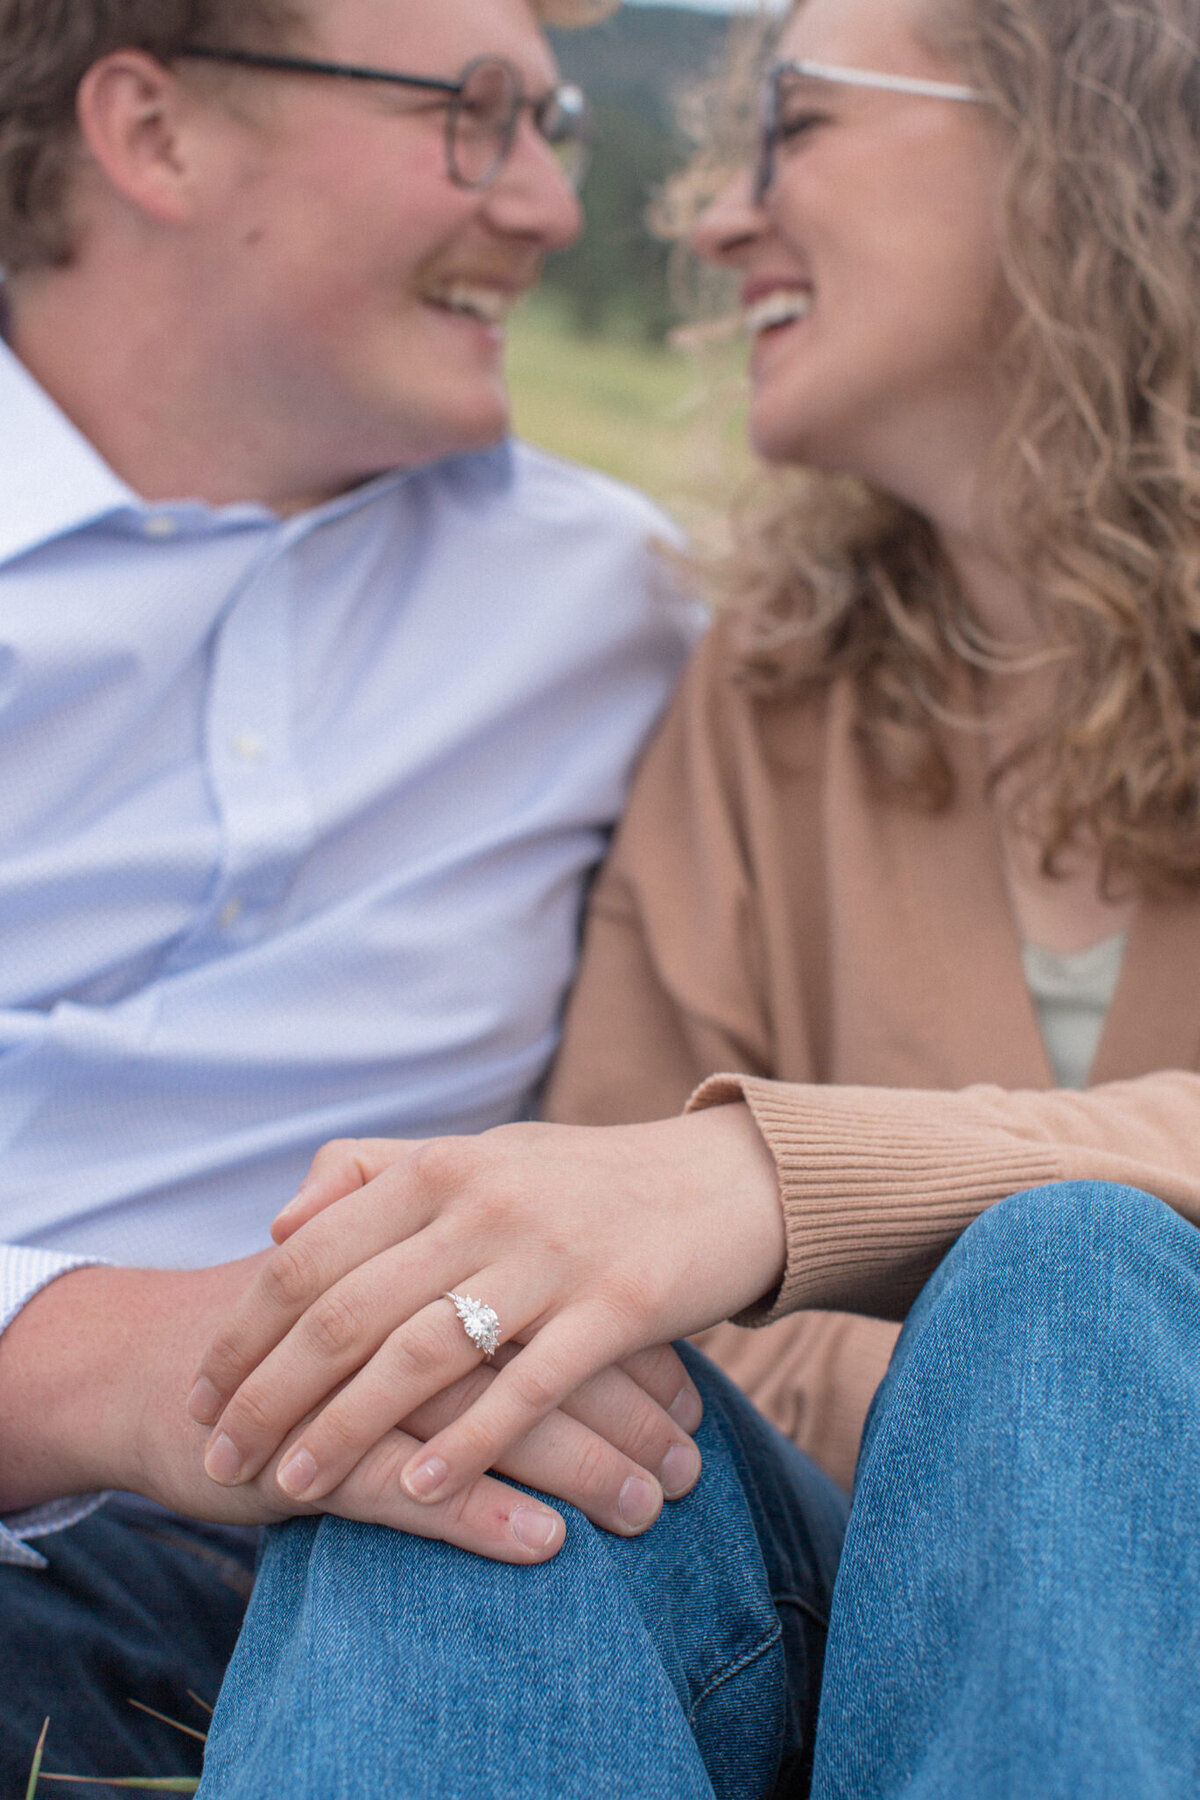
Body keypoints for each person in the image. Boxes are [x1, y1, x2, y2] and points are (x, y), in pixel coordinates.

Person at [186, 0, 1200, 1792]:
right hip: (817, 1576)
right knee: (479, 1405)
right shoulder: (769, 691)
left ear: (1093, 153)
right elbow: (621, 1299)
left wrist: (771, 1185)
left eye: (796, 126)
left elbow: (752, 1266)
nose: (719, 218)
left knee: (1077, 1288)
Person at [0, 0, 715, 1787]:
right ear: (153, 134)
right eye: (473, 113)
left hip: (382, 1580)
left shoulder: (623, 611)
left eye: (549, 117)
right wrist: (104, 1370)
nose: (551, 205)